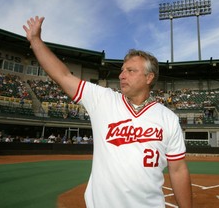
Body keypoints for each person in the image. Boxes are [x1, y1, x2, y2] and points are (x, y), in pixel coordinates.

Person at [23, 16, 192, 208]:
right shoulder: (103, 100)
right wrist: (36, 41)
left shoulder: (168, 118)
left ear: (149, 77)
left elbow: (178, 170)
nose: (121, 75)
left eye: (130, 71)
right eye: (122, 70)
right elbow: (62, 76)